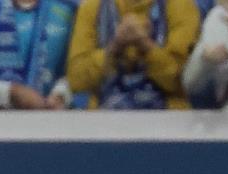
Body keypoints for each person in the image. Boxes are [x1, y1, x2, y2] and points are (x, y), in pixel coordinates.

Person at [66, 0, 199, 108]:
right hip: (105, 118)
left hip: (168, 119)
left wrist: (146, 46)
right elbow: (77, 82)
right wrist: (114, 48)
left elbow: (184, 83)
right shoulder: (92, 7)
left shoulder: (181, 6)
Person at [0, 0, 77, 109]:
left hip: (57, 115)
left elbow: (78, 71)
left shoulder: (67, 10)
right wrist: (11, 92)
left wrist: (61, 94)